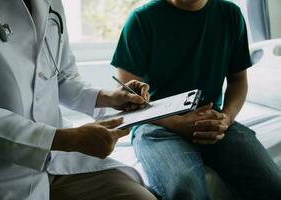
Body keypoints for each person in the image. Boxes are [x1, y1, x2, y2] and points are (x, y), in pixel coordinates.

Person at [0, 0, 158, 200]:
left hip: (59, 159)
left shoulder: (52, 3)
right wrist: (69, 139)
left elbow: (61, 75)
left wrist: (107, 97)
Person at [111, 0, 281, 199]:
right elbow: (127, 98)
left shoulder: (230, 15)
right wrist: (176, 123)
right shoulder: (142, 20)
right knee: (186, 190)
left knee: (272, 186)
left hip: (212, 120)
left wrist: (226, 118)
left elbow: (238, 80)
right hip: (156, 125)